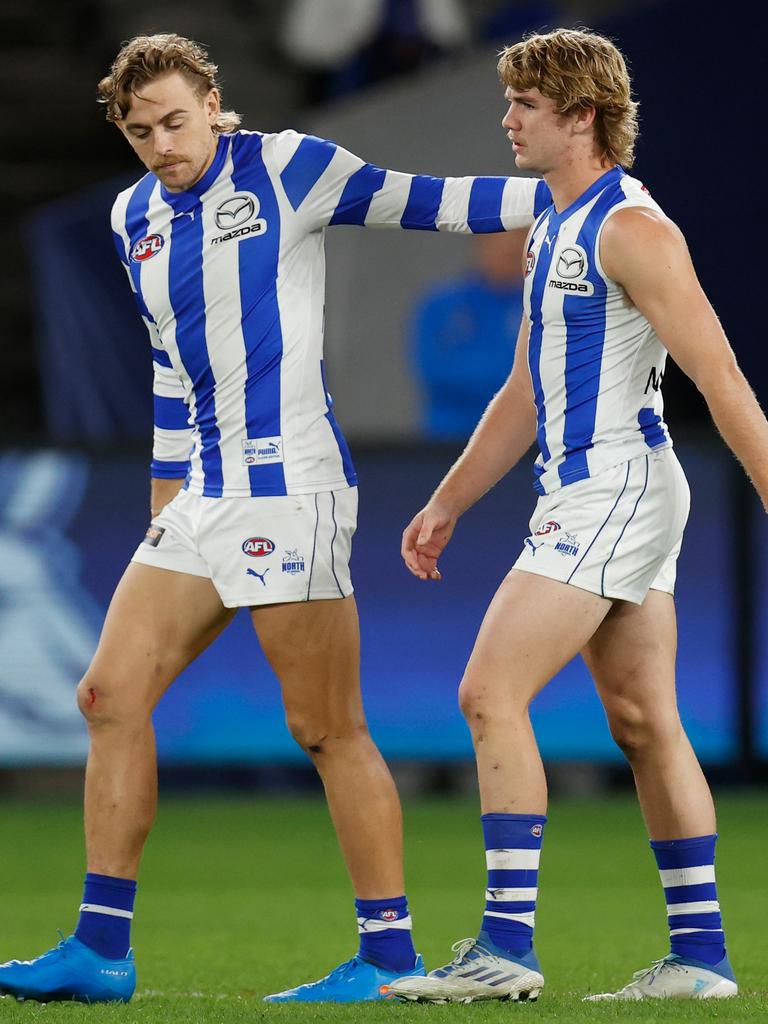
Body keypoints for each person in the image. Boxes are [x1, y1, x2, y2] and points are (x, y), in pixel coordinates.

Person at [0, 33, 550, 1005]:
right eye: (140, 131)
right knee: (107, 695)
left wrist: (570, 191)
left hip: (290, 488)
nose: (162, 144)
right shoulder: (136, 218)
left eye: (175, 120)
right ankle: (100, 949)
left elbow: (422, 202)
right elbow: (174, 371)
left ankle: (387, 954)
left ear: (213, 101)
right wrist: (165, 507)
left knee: (327, 727)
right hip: (201, 500)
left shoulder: (289, 166)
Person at [389, 27, 768, 1004]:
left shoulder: (633, 229)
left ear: (582, 115)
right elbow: (524, 385)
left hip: (617, 489)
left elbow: (720, 375)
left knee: (488, 691)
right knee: (645, 722)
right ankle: (702, 961)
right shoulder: (555, 225)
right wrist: (448, 499)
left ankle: (504, 947)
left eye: (525, 104)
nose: (507, 119)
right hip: (596, 489)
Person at [412, 229, 527, 439]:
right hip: (447, 443)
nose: (512, 247)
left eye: (521, 239)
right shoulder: (441, 305)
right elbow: (435, 371)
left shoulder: (542, 307)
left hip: (522, 445)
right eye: (501, 239)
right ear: (481, 242)